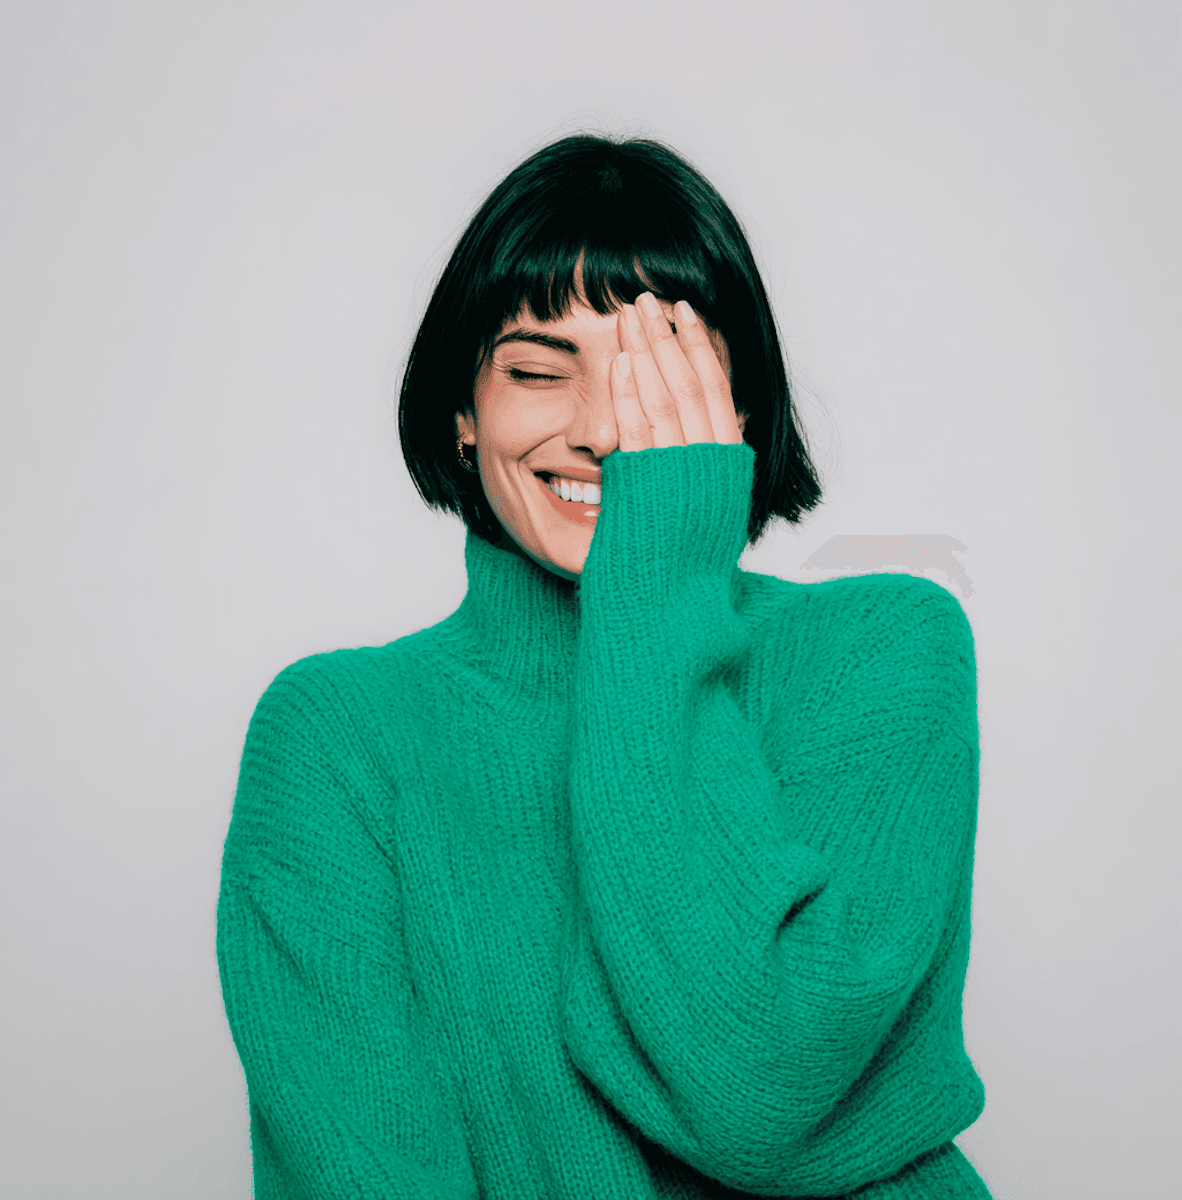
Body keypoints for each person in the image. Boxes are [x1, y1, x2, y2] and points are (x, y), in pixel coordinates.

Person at [216, 133, 992, 1199]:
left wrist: (658, 580)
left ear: (739, 412)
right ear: (462, 412)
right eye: (538, 371)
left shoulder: (883, 653)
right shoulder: (340, 737)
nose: (599, 431)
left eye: (658, 374)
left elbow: (758, 1089)